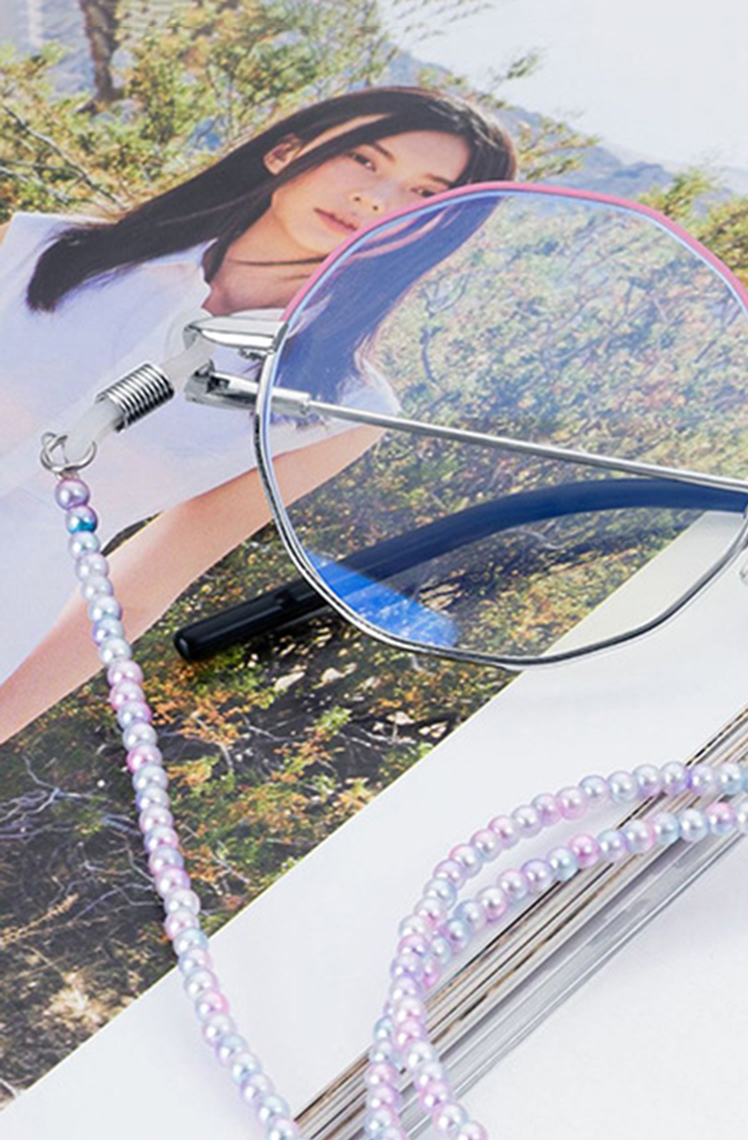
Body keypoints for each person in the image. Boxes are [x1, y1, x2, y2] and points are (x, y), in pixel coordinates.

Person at [0, 84, 517, 743]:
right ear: (285, 151)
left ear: (433, 227)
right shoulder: (43, 249)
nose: (374, 198)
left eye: (423, 194)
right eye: (364, 159)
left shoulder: (340, 408)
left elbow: (137, 588)